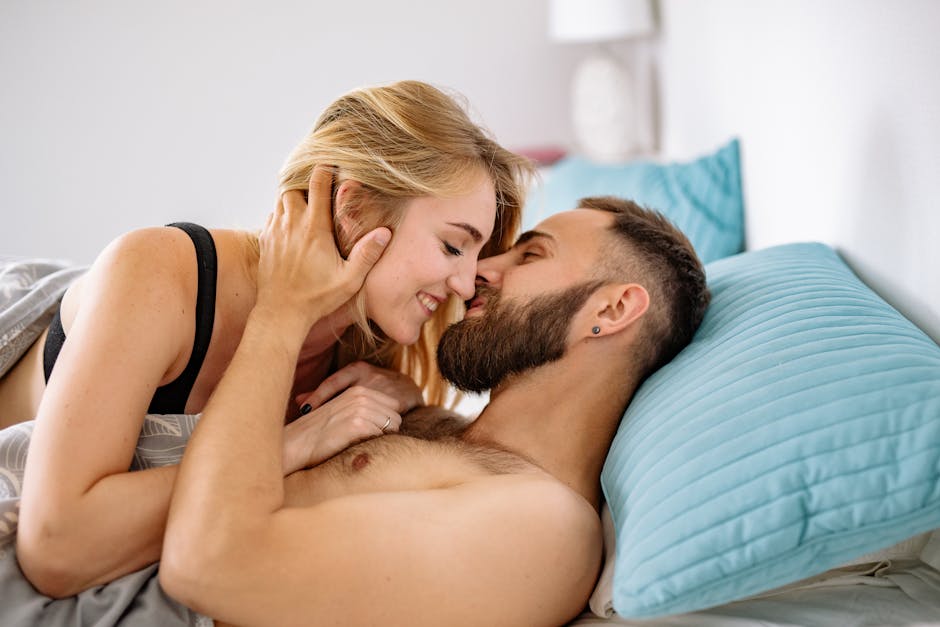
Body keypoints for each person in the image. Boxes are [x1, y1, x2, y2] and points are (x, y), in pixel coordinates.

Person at [0, 80, 534, 597]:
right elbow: (57, 549)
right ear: (353, 209)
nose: (466, 285)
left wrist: (403, 398)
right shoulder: (158, 274)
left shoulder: (365, 343)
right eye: (451, 246)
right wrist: (296, 443)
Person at [159, 178, 711, 626]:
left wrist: (281, 312)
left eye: (530, 256)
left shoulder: (544, 529)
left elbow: (206, 566)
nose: (475, 277)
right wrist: (410, 408)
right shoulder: (445, 431)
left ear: (612, 311)